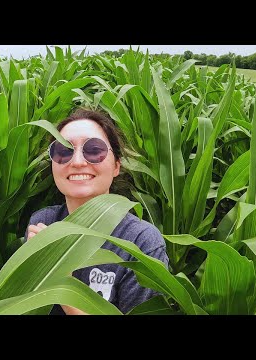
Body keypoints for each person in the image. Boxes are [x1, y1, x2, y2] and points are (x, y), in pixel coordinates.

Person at [24, 108, 169, 315]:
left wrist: (61, 284)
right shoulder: (43, 222)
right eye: (63, 151)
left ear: (117, 165)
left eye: (94, 150)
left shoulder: (141, 243)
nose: (77, 162)